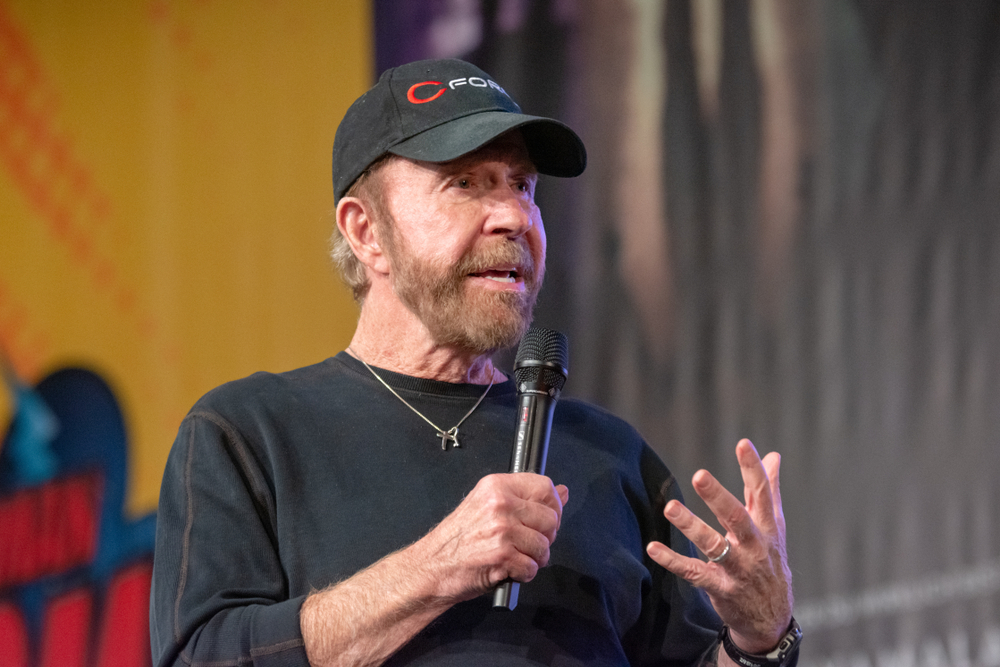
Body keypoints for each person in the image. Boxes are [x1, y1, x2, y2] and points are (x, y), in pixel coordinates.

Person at [150, 58, 799, 667]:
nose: (515, 215)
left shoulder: (608, 454)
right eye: (465, 183)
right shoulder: (249, 434)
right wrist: (436, 568)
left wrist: (760, 637)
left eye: (522, 185)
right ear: (366, 231)